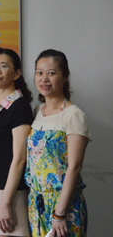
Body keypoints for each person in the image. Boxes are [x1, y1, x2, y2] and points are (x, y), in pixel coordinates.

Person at [26, 49, 91, 237]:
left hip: (63, 206)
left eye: (51, 73)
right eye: (39, 73)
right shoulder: (37, 111)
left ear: (65, 76)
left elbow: (74, 167)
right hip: (36, 205)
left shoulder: (74, 115)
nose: (44, 79)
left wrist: (59, 213)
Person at [0, 47, 34, 236]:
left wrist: (6, 202)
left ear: (16, 73)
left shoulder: (20, 107)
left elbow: (20, 159)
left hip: (10, 194)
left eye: (3, 66)